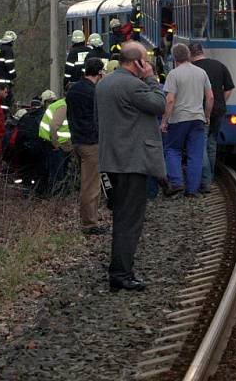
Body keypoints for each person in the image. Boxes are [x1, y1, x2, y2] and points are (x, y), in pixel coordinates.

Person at [95, 42, 166, 292]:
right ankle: (122, 274)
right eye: (145, 61)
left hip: (110, 161)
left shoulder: (103, 84)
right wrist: (152, 79)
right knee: (129, 221)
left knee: (120, 217)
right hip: (131, 163)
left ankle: (120, 270)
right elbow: (159, 104)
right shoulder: (134, 85)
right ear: (137, 62)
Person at [161, 43, 213, 197]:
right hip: (197, 118)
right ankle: (192, 190)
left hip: (178, 119)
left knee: (173, 150)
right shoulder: (201, 73)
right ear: (189, 56)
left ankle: (177, 183)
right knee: (195, 154)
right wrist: (207, 115)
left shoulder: (174, 74)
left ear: (174, 58)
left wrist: (164, 120)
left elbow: (170, 100)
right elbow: (210, 97)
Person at [65, 58, 106, 235]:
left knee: (86, 182)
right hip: (91, 143)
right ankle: (89, 223)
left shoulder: (73, 90)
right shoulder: (94, 92)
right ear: (99, 73)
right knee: (91, 185)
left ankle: (89, 220)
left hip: (77, 141)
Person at [189, 42, 234, 192]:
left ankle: (206, 181)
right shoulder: (219, 65)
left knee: (200, 144)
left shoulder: (192, 69)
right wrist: (221, 101)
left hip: (200, 111)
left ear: (190, 54)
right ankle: (211, 176)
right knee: (212, 143)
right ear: (202, 51)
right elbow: (229, 88)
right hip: (219, 110)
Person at [39, 90, 71, 195]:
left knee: (55, 171)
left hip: (51, 141)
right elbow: (54, 126)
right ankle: (56, 198)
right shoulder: (64, 106)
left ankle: (54, 196)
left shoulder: (61, 104)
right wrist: (55, 143)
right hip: (56, 144)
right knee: (58, 173)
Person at [0, 30, 17, 111]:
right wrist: (13, 75)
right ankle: (4, 117)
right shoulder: (8, 50)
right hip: (5, 81)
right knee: (6, 101)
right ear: (11, 41)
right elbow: (9, 65)